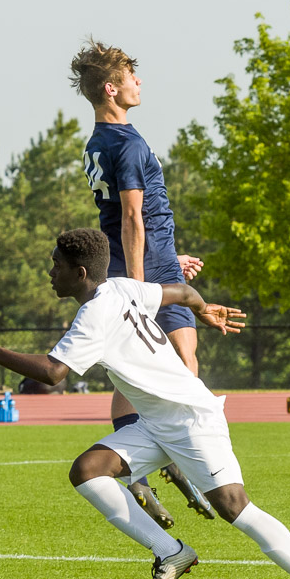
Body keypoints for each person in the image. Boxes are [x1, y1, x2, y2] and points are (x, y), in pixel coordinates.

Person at [0, 229, 290, 579]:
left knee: (233, 506)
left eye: (56, 265)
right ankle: (171, 552)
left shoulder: (93, 315)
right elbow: (186, 292)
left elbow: (53, 372)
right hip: (155, 421)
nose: (50, 273)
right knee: (87, 470)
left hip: (190, 419)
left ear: (80, 273)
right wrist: (205, 311)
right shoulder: (121, 286)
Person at [70, 39, 213, 528]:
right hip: (142, 269)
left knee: (171, 363)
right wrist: (138, 286)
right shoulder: (125, 142)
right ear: (112, 88)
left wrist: (169, 257)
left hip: (155, 262)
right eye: (132, 75)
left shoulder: (98, 141)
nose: (139, 82)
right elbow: (131, 216)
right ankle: (159, 465)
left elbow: (129, 216)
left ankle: (155, 463)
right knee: (167, 364)